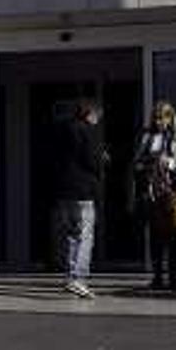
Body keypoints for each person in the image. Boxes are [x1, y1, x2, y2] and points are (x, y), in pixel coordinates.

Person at [131, 101, 176, 291]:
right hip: (154, 192)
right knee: (156, 236)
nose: (159, 122)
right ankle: (157, 277)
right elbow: (137, 163)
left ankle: (173, 277)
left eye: (162, 117)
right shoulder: (148, 137)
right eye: (156, 118)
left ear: (171, 117)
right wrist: (149, 164)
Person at [53, 100, 106, 299]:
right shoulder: (87, 130)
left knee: (70, 235)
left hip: (64, 190)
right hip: (83, 190)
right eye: (97, 117)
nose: (97, 120)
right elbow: (91, 160)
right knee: (84, 236)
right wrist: (102, 159)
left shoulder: (61, 131)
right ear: (90, 114)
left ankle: (70, 276)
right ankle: (78, 278)